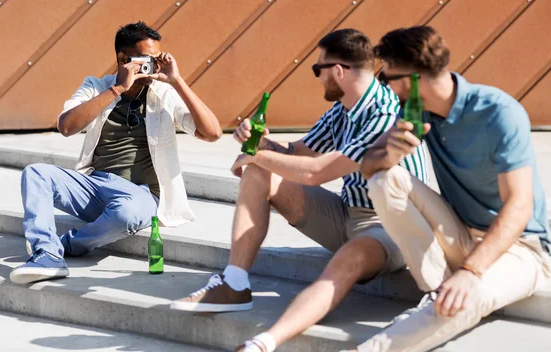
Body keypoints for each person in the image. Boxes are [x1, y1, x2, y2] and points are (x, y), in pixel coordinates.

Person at [170, 29, 429, 352]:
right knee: (258, 169)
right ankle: (234, 283)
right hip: (346, 212)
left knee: (349, 256)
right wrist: (259, 143)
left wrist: (258, 155)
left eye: (317, 69)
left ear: (338, 70)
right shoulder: (344, 108)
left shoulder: (385, 115)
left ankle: (262, 344)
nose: (317, 77)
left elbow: (315, 173)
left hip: (389, 224)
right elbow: (298, 153)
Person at [350, 26, 551, 352]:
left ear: (411, 79)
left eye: (386, 79)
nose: (383, 87)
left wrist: (471, 272)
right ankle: (441, 289)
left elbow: (519, 204)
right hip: (462, 232)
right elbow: (367, 169)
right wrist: (385, 156)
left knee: (471, 295)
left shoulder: (498, 112)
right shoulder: (414, 112)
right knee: (385, 179)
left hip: (522, 248)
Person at [10, 21, 222, 284]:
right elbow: (66, 126)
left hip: (140, 195)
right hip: (95, 185)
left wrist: (177, 81)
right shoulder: (97, 86)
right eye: (146, 60)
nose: (152, 66)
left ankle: (66, 245)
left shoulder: (163, 93)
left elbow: (212, 133)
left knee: (127, 214)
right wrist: (117, 89)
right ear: (123, 59)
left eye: (157, 60)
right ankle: (46, 254)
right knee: (36, 173)